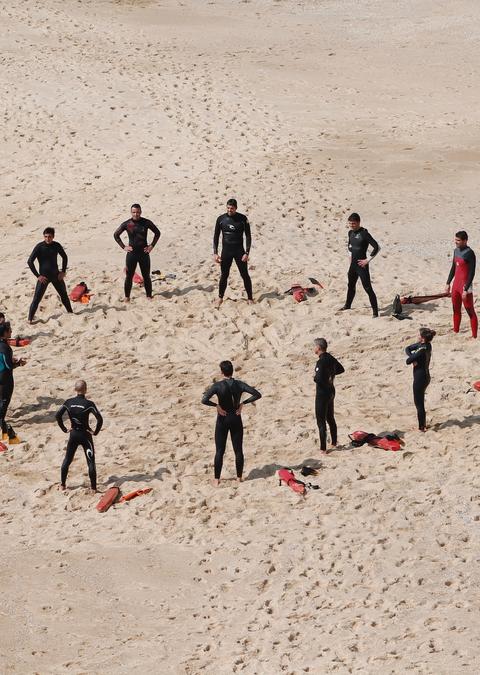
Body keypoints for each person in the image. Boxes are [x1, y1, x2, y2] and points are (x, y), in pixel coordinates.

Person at [201, 360, 261, 486]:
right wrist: (242, 404)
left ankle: (216, 479)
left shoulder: (217, 386)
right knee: (238, 450)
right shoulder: (239, 384)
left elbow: (204, 400)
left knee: (219, 451)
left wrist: (216, 405)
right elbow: (257, 394)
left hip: (223, 418)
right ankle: (239, 478)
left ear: (222, 372)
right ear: (232, 371)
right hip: (236, 417)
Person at [55, 380, 103, 491]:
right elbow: (100, 419)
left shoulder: (68, 402)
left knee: (67, 459)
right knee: (90, 462)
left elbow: (58, 415)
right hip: (85, 435)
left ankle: (62, 485)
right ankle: (93, 488)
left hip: (74, 435)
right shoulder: (89, 404)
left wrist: (64, 429)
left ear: (75, 389)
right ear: (85, 389)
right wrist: (95, 432)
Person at [114, 203, 160, 302]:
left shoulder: (146, 222)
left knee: (146, 276)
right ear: (131, 212)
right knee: (129, 276)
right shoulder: (127, 224)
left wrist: (151, 246)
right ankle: (127, 297)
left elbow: (157, 233)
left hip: (144, 253)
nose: (136, 214)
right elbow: (116, 235)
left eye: (138, 212)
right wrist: (124, 247)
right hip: (132, 254)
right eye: (134, 212)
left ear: (141, 212)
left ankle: (149, 295)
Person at [213, 198, 253, 308]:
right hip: (226, 251)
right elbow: (216, 237)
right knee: (224, 275)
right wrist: (215, 253)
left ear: (236, 208)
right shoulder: (221, 219)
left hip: (239, 251)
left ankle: (250, 298)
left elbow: (248, 236)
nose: (230, 210)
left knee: (244, 275)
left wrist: (247, 253)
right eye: (228, 208)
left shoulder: (242, 219)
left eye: (232, 208)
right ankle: (220, 297)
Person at [27, 227, 73, 323]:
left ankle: (71, 313)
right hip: (44, 278)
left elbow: (65, 257)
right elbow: (30, 262)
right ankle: (30, 320)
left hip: (56, 276)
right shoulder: (39, 247)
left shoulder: (56, 245)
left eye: (50, 237)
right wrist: (38, 276)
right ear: (44, 236)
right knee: (36, 299)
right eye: (46, 236)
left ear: (53, 237)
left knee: (64, 295)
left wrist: (63, 271)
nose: (47, 239)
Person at [340, 213, 380, 317]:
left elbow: (377, 247)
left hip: (362, 266)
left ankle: (375, 312)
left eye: (353, 223)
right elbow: (350, 246)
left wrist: (367, 260)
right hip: (353, 265)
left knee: (367, 288)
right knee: (350, 285)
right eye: (350, 223)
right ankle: (347, 305)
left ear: (358, 222)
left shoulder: (364, 233)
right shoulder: (350, 233)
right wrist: (350, 257)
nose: (351, 225)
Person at [313, 338, 344, 453]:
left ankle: (323, 449)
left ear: (318, 348)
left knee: (321, 422)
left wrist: (316, 377)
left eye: (314, 346)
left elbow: (318, 379)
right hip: (331, 391)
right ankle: (334, 442)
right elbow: (341, 369)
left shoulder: (320, 362)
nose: (313, 348)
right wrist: (330, 374)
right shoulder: (330, 357)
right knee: (330, 418)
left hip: (322, 394)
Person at [445, 231, 477, 338]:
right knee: (455, 309)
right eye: (455, 240)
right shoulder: (456, 251)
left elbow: (472, 273)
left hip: (465, 287)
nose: (456, 242)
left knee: (470, 311)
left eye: (458, 240)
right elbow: (453, 268)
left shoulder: (470, 253)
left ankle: (474, 336)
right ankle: (456, 331)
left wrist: (466, 288)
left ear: (465, 241)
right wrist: (448, 283)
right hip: (456, 286)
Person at [0, 322, 26, 444]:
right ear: (4, 333)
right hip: (5, 378)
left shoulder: (4, 344)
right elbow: (8, 366)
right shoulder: (5, 347)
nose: (11, 332)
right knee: (4, 401)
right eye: (9, 330)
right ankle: (2, 426)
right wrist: (18, 363)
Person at [405, 328, 436, 432]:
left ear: (422, 338)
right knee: (419, 402)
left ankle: (422, 427)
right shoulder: (424, 345)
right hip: (425, 376)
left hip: (421, 378)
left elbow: (408, 361)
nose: (417, 336)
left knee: (419, 403)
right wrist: (412, 357)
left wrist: (412, 358)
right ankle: (423, 424)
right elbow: (407, 348)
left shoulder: (422, 349)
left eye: (419, 335)